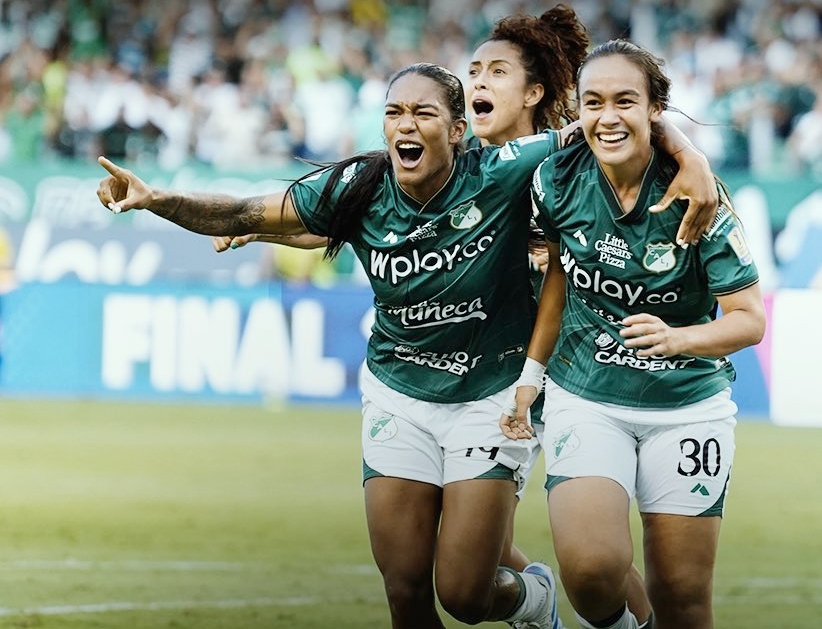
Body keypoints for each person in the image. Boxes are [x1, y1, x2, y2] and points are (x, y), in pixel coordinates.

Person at [97, 59, 719, 628]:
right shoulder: (357, 186)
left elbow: (608, 121)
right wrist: (156, 200)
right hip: (397, 395)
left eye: (423, 112)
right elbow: (242, 212)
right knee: (404, 589)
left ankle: (534, 599)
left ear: (457, 130)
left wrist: (690, 155)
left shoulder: (501, 171)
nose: (406, 124)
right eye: (394, 112)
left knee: (465, 596)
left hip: (488, 397)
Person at [501, 40, 766, 629]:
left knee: (682, 598)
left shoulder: (698, 195)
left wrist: (678, 339)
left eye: (625, 100)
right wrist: (531, 375)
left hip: (687, 405)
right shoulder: (556, 179)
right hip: (586, 396)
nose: (608, 116)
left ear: (654, 109)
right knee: (591, 570)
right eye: (593, 102)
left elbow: (750, 319)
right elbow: (557, 281)